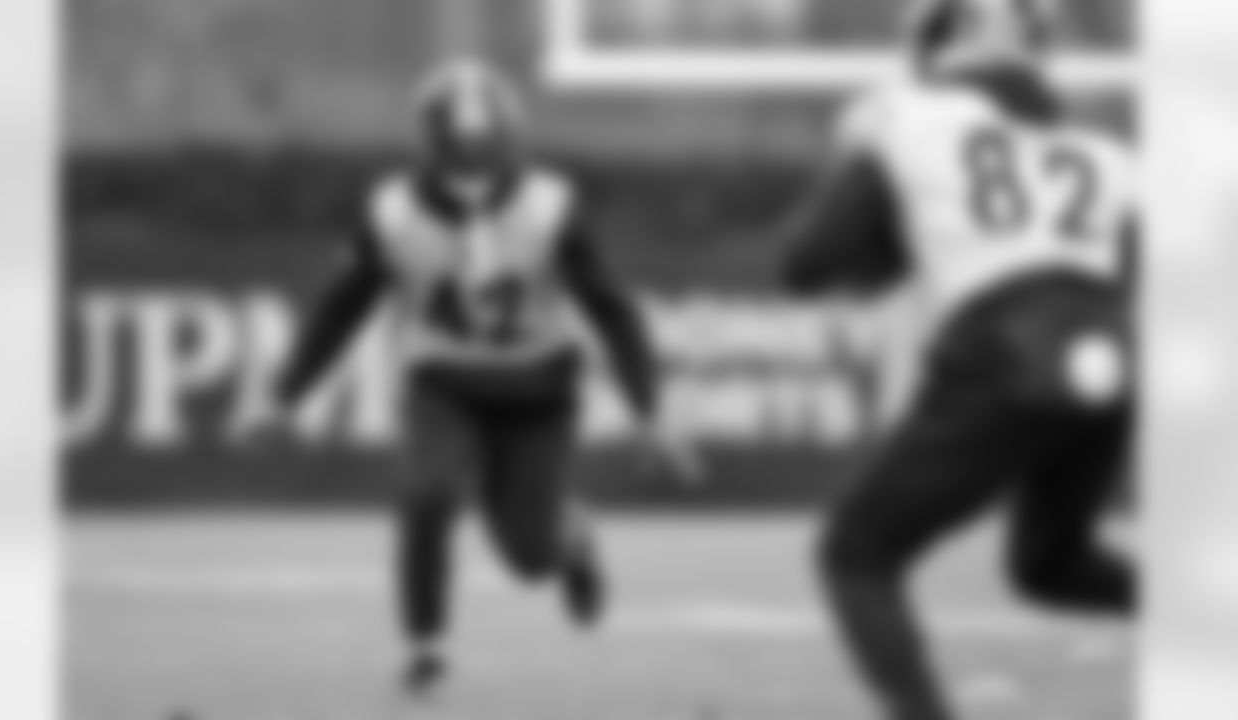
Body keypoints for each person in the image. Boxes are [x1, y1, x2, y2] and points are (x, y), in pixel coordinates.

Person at [277, 60, 701, 695]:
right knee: (426, 492)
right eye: (458, 154)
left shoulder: (551, 205)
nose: (471, 173)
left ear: (506, 143)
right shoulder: (392, 211)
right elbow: (343, 305)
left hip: (538, 390)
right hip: (443, 379)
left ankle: (572, 540)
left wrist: (651, 408)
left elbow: (610, 308)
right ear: (430, 146)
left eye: (482, 153)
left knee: (530, 556)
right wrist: (283, 394)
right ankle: (427, 647)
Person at [780, 1, 1138, 718]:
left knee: (856, 554)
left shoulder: (906, 120)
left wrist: (858, 159)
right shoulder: (1107, 155)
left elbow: (806, 262)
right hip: (1109, 357)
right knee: (1050, 566)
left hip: (1001, 352)